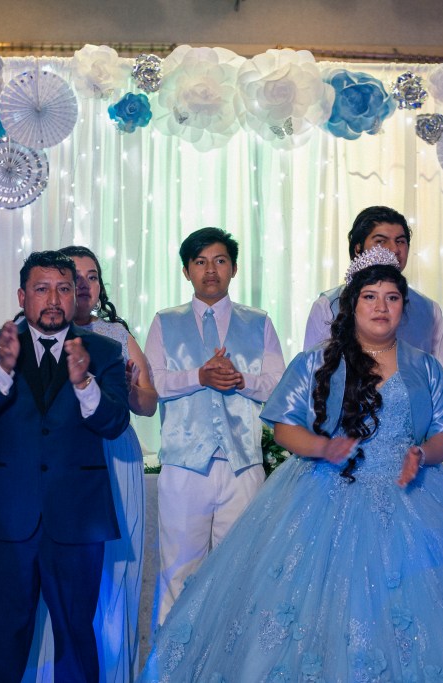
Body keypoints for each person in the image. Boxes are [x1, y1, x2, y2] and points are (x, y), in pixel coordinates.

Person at [140, 247, 443, 682]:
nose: (381, 307)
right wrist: (322, 447)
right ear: (352, 304)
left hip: (412, 495)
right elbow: (283, 428)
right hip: (325, 494)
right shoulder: (317, 361)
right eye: (370, 297)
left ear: (403, 307)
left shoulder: (423, 366)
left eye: (392, 298)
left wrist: (422, 454)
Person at [0, 250, 130, 683]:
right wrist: (2, 369)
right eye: (42, 289)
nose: (53, 299)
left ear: (76, 295)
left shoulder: (104, 350)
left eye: (63, 289)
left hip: (78, 515)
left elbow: (115, 423)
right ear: (22, 296)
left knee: (76, 635)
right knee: (2, 635)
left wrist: (85, 383)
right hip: (7, 515)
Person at [27, 246, 158, 682]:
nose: (85, 285)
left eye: (93, 276)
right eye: (75, 278)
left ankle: (112, 671)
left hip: (115, 455)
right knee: (61, 576)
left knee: (114, 569)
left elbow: (147, 405)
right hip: (62, 463)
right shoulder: (34, 334)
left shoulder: (116, 335)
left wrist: (128, 388)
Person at [143, 227, 286, 625]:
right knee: (178, 574)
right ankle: (172, 657)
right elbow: (152, 384)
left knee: (240, 573)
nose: (210, 270)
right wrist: (198, 376)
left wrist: (241, 380)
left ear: (234, 269)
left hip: (243, 465)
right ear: (186, 271)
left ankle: (229, 656)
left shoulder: (258, 322)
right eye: (200, 262)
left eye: (220, 261)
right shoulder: (165, 322)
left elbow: (279, 386)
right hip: (184, 466)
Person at [303, 205, 443, 386]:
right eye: (381, 241)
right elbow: (312, 373)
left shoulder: (428, 309)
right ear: (358, 248)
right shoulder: (328, 306)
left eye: (400, 241)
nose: (394, 249)